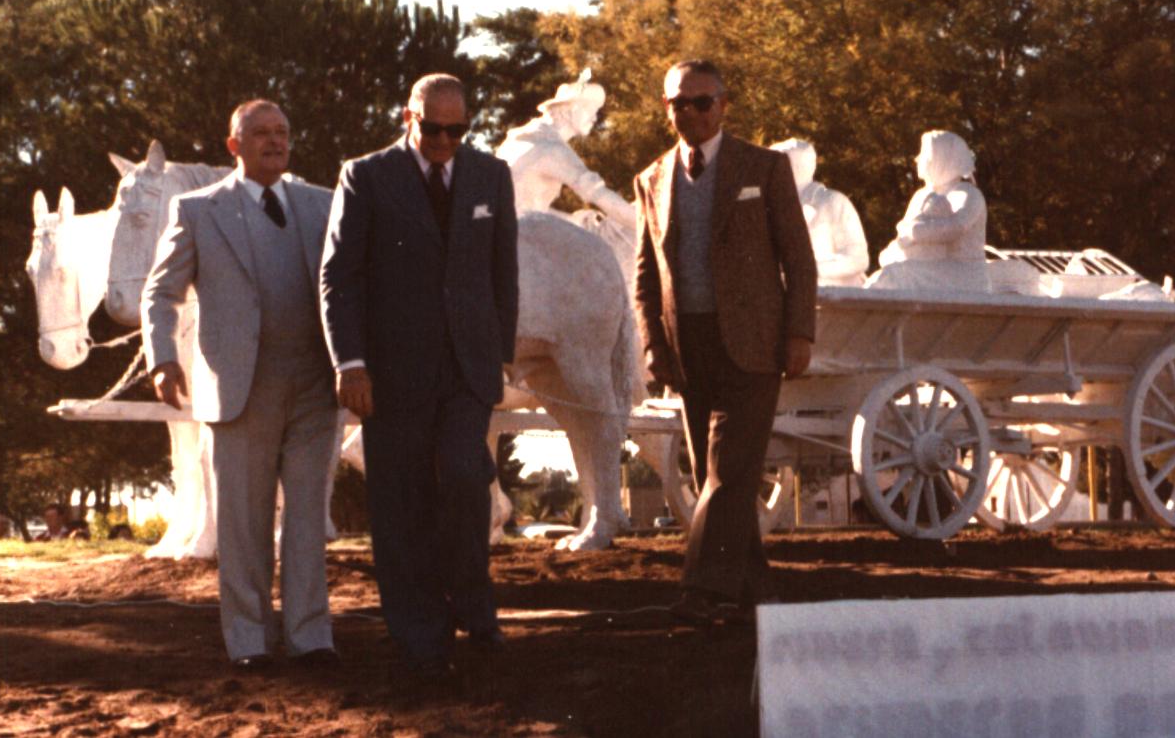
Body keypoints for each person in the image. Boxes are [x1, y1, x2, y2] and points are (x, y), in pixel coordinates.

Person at [320, 73, 518, 679]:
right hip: (389, 374)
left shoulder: (491, 175)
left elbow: (502, 272)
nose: (443, 140)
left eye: (456, 130)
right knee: (400, 504)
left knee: (465, 477)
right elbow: (338, 277)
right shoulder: (366, 175)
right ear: (408, 116)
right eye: (432, 128)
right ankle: (420, 635)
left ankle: (473, 604)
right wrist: (349, 363)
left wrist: (498, 356)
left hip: (467, 371)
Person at [141, 99, 340, 672]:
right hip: (238, 389)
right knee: (244, 523)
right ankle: (249, 640)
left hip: (314, 387)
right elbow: (161, 294)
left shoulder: (322, 205)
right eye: (261, 134)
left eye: (282, 132)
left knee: (306, 519)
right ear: (234, 146)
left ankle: (310, 637)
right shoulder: (198, 210)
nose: (275, 142)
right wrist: (161, 359)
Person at [633, 60, 817, 625]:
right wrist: (652, 348)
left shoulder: (764, 167)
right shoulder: (650, 179)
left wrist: (798, 333)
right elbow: (645, 274)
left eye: (701, 102)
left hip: (755, 343)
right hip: (687, 344)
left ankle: (702, 590)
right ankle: (756, 588)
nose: (688, 112)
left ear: (723, 104)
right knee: (711, 472)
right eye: (677, 104)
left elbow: (798, 259)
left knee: (729, 470)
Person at [495, 71, 636, 230]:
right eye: (592, 110)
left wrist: (571, 220)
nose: (595, 118)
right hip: (515, 238)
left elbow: (526, 207)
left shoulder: (520, 138)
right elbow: (600, 196)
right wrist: (650, 224)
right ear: (573, 110)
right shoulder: (552, 148)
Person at [866, 130, 988, 293]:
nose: (917, 159)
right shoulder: (922, 195)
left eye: (924, 154)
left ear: (944, 158)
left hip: (963, 273)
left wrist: (915, 231)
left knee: (895, 276)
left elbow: (956, 227)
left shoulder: (968, 194)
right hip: (932, 265)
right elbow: (904, 233)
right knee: (889, 273)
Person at [770, 138, 870, 287]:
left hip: (828, 298)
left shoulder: (832, 202)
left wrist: (807, 269)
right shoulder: (767, 208)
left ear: (796, 167)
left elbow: (858, 259)